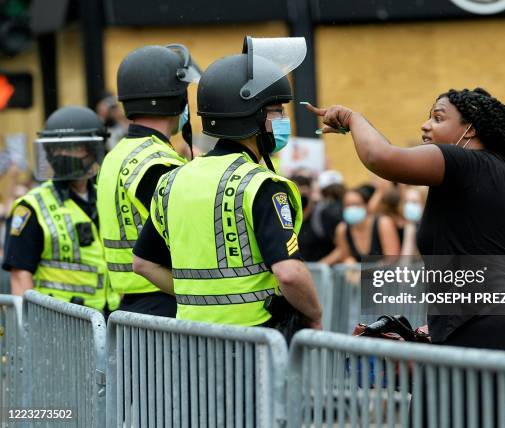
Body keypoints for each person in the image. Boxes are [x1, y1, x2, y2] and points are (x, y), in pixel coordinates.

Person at [304, 87, 505, 382]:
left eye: (438, 118)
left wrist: (352, 118)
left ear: (468, 130)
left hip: (492, 329)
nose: (425, 125)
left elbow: (380, 157)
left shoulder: (461, 162)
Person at [132, 37, 322, 339]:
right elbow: (289, 273)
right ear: (254, 115)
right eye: (276, 111)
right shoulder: (261, 186)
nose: (283, 119)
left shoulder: (173, 181)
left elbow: (143, 263)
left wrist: (195, 297)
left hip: (192, 339)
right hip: (255, 343)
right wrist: (315, 315)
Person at [96, 44, 201, 317]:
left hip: (130, 304)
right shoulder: (157, 162)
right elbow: (188, 240)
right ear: (175, 98)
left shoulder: (116, 155)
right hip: (165, 301)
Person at [2, 106, 118, 314]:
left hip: (110, 319)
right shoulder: (30, 208)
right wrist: (29, 330)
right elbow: (20, 277)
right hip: (58, 327)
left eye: (74, 148)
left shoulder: (107, 197)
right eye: (58, 149)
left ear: (94, 151)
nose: (63, 155)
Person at [332, 187, 400, 263]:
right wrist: (349, 262)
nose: (352, 209)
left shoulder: (383, 223)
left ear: (366, 205)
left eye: (356, 204)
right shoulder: (342, 229)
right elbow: (345, 256)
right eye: (347, 205)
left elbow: (392, 258)